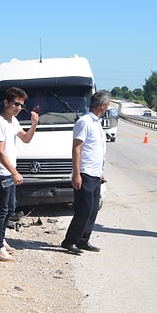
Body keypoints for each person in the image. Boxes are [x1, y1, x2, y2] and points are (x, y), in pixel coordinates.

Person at [0, 87, 39, 262]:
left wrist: (34, 124)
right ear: (6, 102)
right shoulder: (0, 123)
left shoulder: (14, 122)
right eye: (15, 103)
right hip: (0, 172)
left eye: (21, 105)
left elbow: (25, 139)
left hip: (8, 173)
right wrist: (14, 172)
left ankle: (0, 240)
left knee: (10, 207)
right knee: (2, 210)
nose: (18, 107)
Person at [61, 90, 110, 255]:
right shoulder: (85, 122)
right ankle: (70, 241)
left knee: (93, 209)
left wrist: (101, 171)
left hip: (96, 173)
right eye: (107, 105)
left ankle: (83, 240)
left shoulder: (97, 123)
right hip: (85, 172)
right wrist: (76, 173)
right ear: (103, 105)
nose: (108, 107)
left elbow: (97, 150)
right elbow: (77, 148)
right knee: (84, 209)